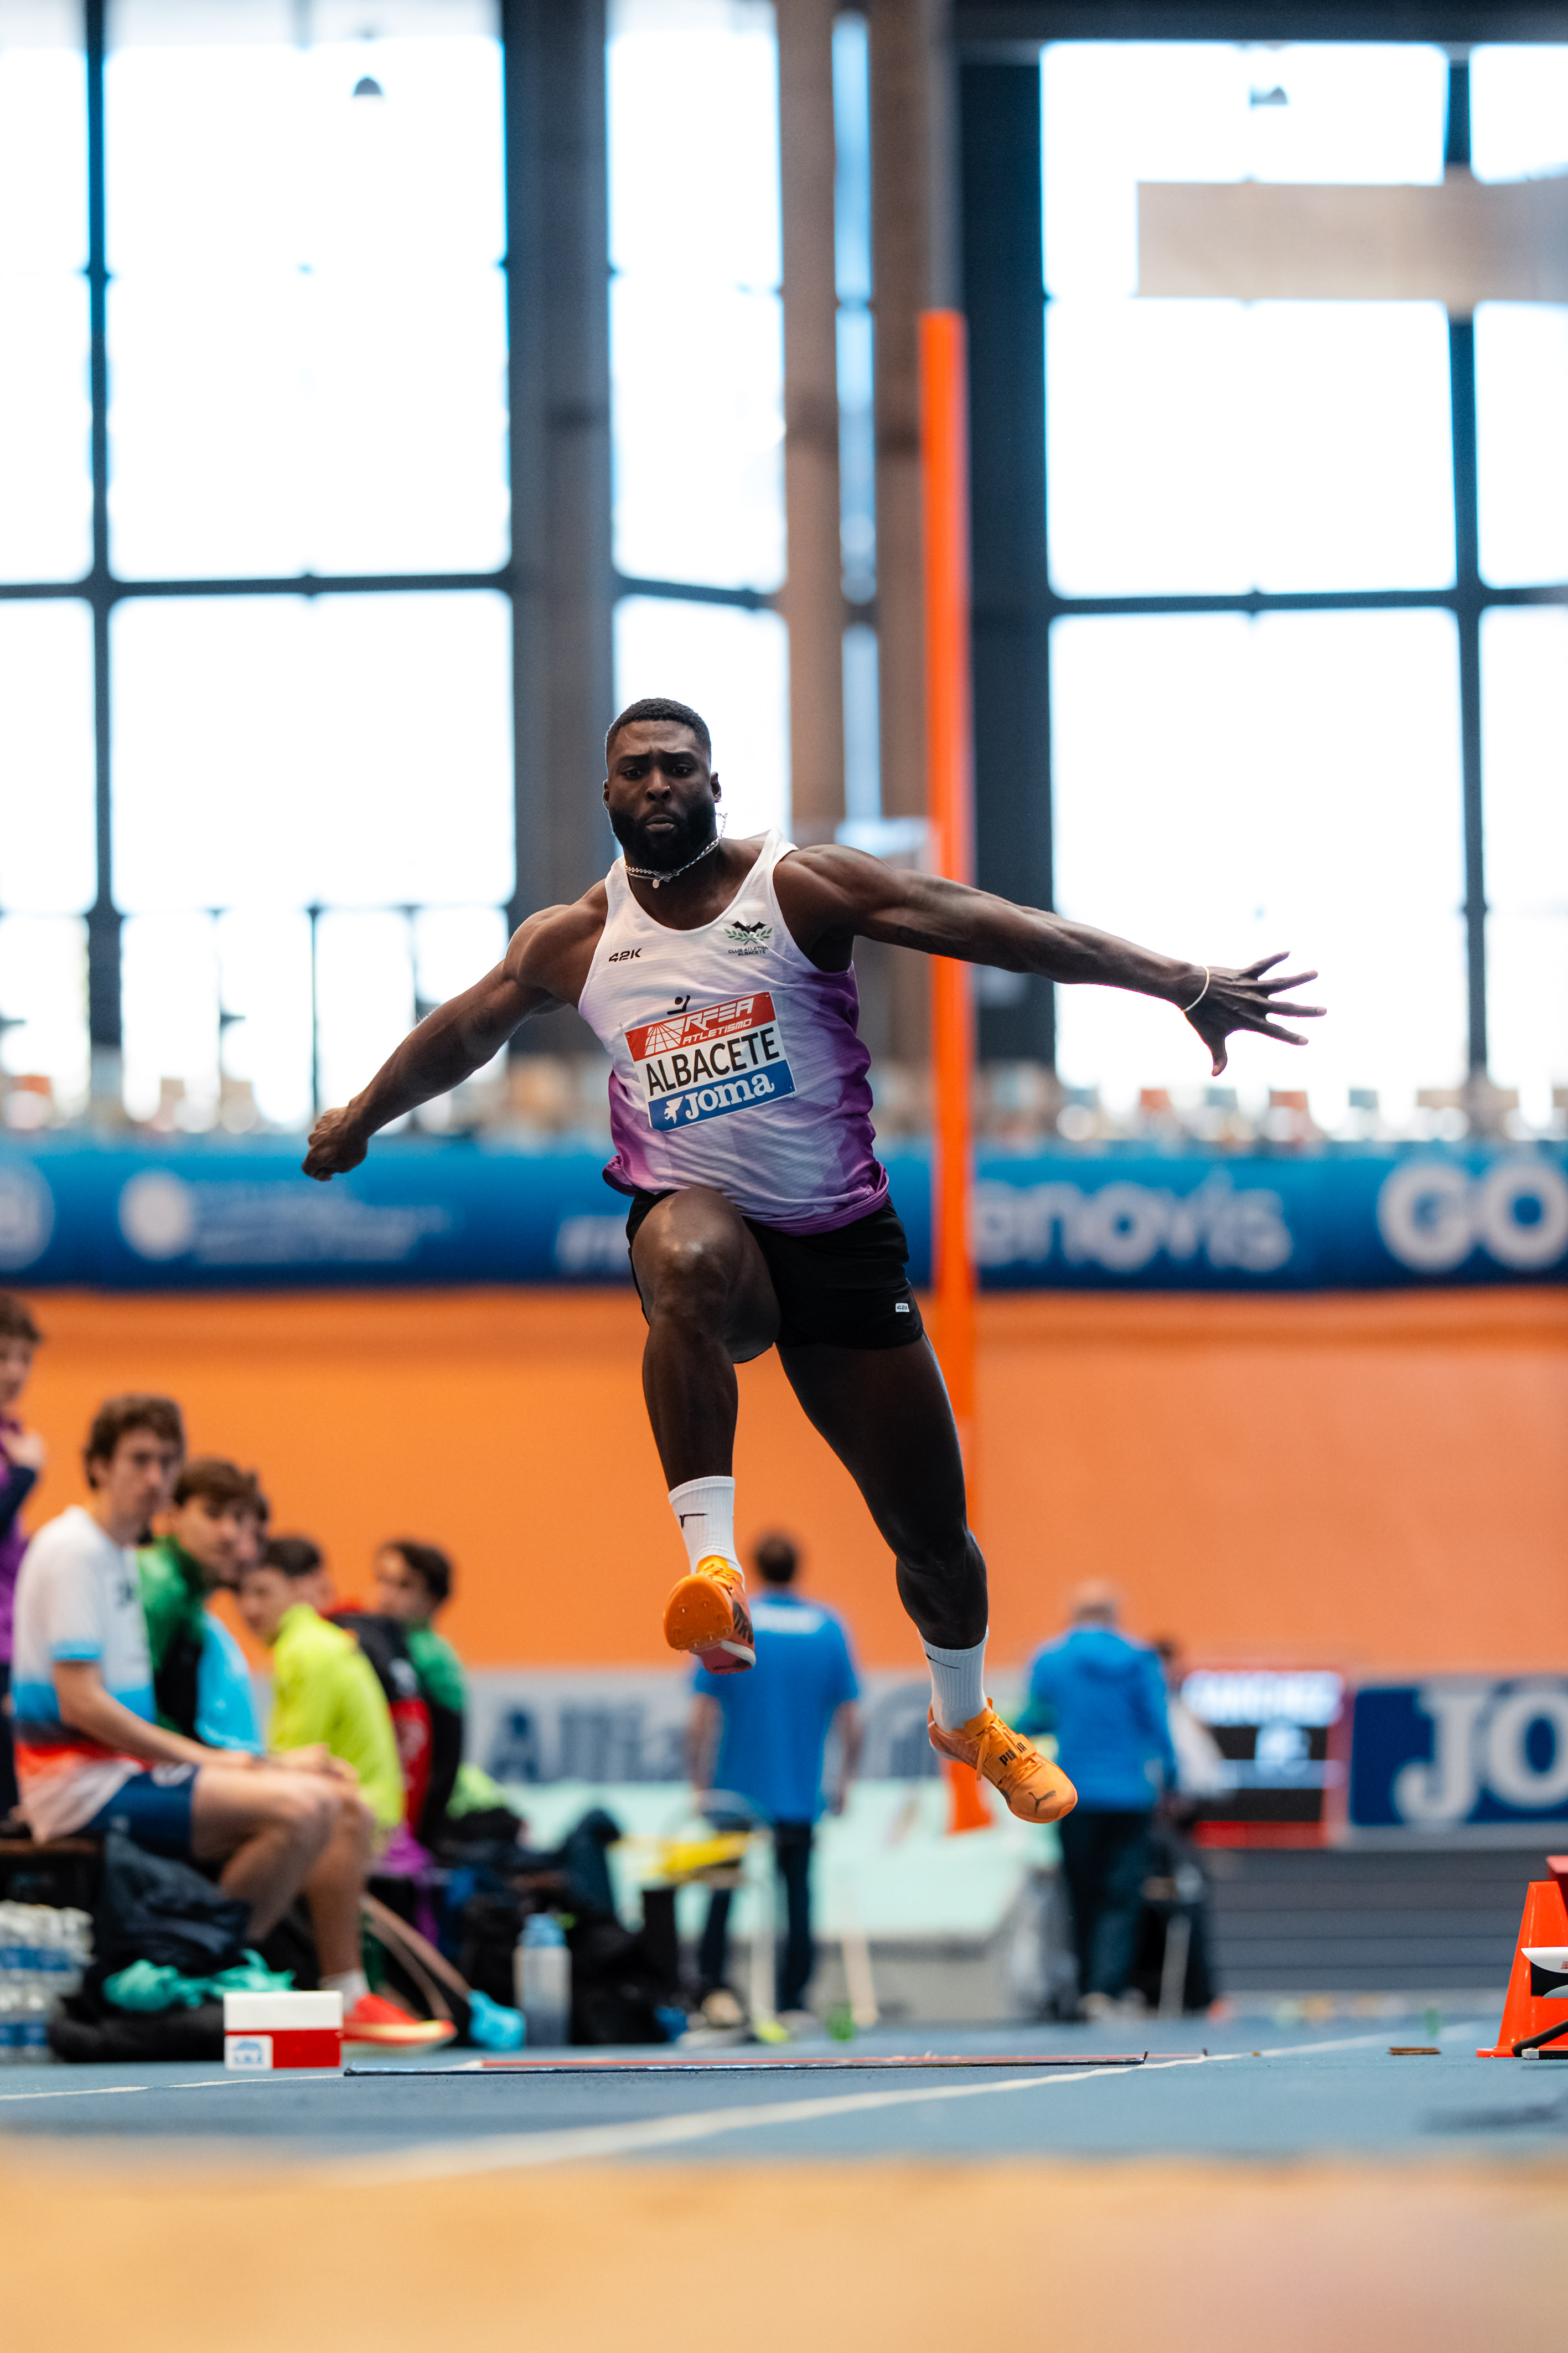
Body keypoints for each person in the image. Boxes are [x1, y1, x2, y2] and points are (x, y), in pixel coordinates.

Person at [303, 698, 1321, 1819]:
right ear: (607, 794)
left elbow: (997, 925)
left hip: (837, 1247)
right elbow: (463, 1031)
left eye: (678, 768)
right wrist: (359, 1117)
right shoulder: (575, 940)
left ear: (714, 785)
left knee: (934, 1544)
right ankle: (713, 1569)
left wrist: (1178, 979)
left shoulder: (798, 891)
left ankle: (965, 1714)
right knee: (683, 1251)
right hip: (711, 1242)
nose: (657, 785)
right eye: (636, 770)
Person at [9, 1395, 431, 2045]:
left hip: (128, 1773)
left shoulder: (120, 1556)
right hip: (80, 1786)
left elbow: (150, 1715)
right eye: (139, 1460)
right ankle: (202, 1968)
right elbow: (81, 1705)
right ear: (97, 1466)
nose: (155, 1477)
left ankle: (343, 1992)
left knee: (342, 1803)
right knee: (303, 1808)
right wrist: (233, 1762)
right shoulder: (77, 1550)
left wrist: (257, 1762)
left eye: (167, 1461)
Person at [686, 1531, 862, 2025]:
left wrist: (698, 1783)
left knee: (722, 1889)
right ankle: (793, 2000)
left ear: (756, 1568)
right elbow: (852, 1717)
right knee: (797, 1894)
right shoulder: (828, 1628)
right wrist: (844, 1780)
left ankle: (710, 1991)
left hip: (736, 1787)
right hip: (798, 1789)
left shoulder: (732, 1622)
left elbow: (701, 1715)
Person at [1020, 1582, 1178, 2017]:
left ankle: (1084, 1985)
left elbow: (1035, 1718)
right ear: (1113, 1614)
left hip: (1073, 1795)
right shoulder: (1139, 1659)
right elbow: (1158, 1724)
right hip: (1130, 1794)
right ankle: (1107, 1989)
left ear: (1073, 1614)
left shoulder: (1051, 1659)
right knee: (1121, 1897)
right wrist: (1172, 1780)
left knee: (1081, 1893)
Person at [235, 1536, 406, 1841]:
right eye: (240, 1594)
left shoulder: (304, 1650)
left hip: (363, 1823)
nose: (249, 1608)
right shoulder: (318, 1639)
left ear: (296, 1590)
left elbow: (296, 1756)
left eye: (263, 1592)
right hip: (375, 1814)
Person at [138, 1457, 268, 1756]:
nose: (229, 1533)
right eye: (213, 1514)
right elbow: (136, 1709)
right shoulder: (159, 1584)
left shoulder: (191, 1598)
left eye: (237, 1519)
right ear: (172, 1515)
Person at [371, 1540, 467, 1843]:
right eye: (382, 1580)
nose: (386, 1595)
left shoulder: (431, 1659)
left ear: (432, 1600)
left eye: (404, 1585)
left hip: (418, 1820)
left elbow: (443, 1760)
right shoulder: (382, 1646)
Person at [0, 1293, 46, 1820]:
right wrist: (24, 1479)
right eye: (2, 1356)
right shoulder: (20, 1458)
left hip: (16, 1640)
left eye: (24, 1358)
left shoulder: (13, 1437)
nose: (14, 1371)